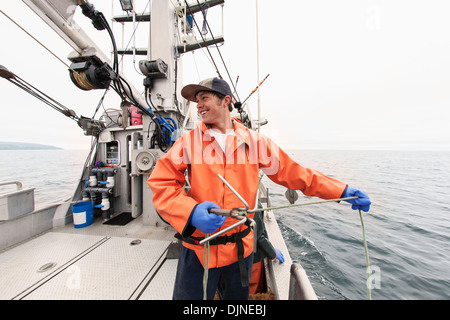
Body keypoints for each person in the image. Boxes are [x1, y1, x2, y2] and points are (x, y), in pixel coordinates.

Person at [147, 77, 371, 300]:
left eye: (204, 97)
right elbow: (161, 182)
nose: (198, 105)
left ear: (226, 100)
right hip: (198, 250)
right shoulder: (188, 142)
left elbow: (295, 174)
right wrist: (191, 212)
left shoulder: (255, 143)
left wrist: (341, 191)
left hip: (239, 252)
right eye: (197, 100)